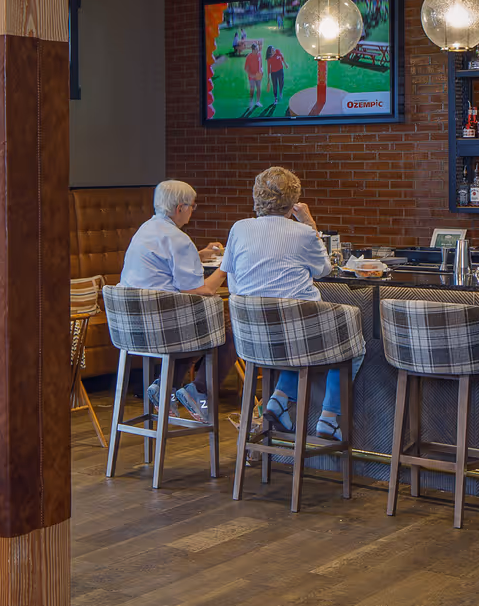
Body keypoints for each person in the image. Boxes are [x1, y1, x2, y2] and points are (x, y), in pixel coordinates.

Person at [221, 166, 348, 441]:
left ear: (256, 196)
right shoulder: (302, 233)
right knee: (352, 345)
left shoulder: (239, 228)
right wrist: (309, 223)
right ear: (293, 201)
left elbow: (232, 282)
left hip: (252, 337)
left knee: (298, 344)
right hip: (297, 335)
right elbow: (324, 269)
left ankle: (278, 401)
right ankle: (328, 417)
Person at [118, 180, 231, 424]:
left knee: (200, 327)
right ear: (180, 207)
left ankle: (165, 387)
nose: (192, 210)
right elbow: (199, 291)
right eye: (192, 206)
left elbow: (163, 264)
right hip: (162, 330)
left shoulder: (146, 229)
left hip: (132, 327)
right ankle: (198, 390)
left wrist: (198, 254)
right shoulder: (178, 239)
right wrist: (226, 266)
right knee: (230, 332)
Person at [243, 44, 264, 112]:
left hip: (258, 74)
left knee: (258, 88)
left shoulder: (259, 54)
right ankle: (251, 102)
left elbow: (261, 64)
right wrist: (251, 74)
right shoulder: (249, 56)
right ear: (253, 50)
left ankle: (257, 102)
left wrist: (262, 69)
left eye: (258, 49)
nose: (258, 50)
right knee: (252, 89)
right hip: (251, 75)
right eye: (257, 49)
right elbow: (246, 68)